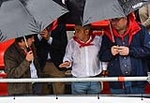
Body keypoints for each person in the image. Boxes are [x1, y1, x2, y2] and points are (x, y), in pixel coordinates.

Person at [99, 13, 150, 94]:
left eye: (116, 19)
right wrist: (110, 52)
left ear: (125, 18)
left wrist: (130, 51)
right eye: (112, 20)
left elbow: (148, 50)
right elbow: (102, 56)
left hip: (137, 81)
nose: (113, 22)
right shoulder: (108, 33)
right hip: (117, 83)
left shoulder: (140, 30)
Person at [59, 24, 107, 94]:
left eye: (78, 31)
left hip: (95, 79)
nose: (75, 33)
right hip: (78, 80)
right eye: (74, 31)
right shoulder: (72, 42)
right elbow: (68, 56)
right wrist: (67, 62)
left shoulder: (98, 40)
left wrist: (104, 69)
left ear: (86, 31)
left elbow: (103, 55)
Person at [34, 19, 68, 94]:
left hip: (56, 64)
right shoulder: (35, 24)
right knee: (42, 92)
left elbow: (63, 45)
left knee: (59, 93)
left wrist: (49, 39)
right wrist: (40, 35)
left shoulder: (60, 25)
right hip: (41, 64)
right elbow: (32, 44)